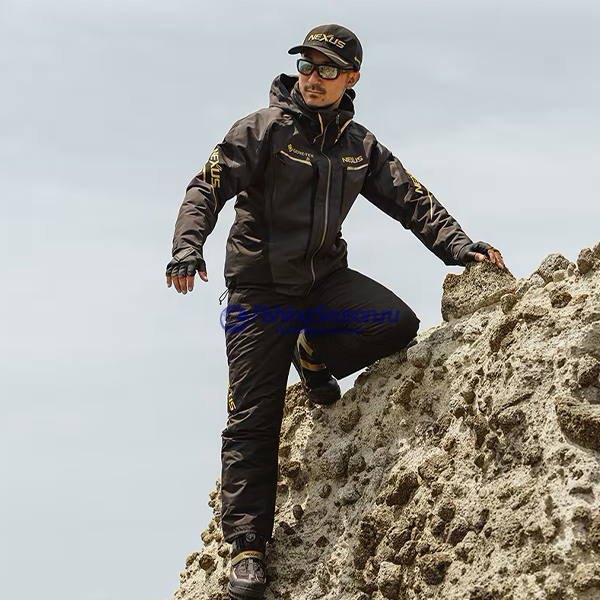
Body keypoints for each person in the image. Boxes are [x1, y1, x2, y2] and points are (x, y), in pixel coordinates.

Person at [166, 24, 506, 600]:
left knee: (396, 323)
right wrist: (187, 247)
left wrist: (462, 247)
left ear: (351, 77)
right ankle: (247, 547)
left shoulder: (358, 145)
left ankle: (313, 352)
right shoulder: (262, 130)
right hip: (259, 293)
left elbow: (412, 200)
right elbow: (206, 187)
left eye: (327, 69)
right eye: (306, 66)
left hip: (324, 280)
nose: (313, 78)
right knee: (254, 417)